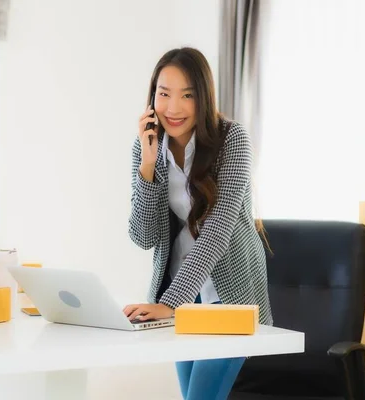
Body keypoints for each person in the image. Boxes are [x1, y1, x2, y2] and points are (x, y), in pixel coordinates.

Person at [123, 47, 272, 400]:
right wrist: (147, 168)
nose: (173, 108)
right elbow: (143, 236)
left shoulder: (232, 140)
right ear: (152, 97)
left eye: (187, 95)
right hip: (183, 300)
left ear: (203, 98)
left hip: (230, 297)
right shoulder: (146, 148)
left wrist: (171, 303)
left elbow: (217, 232)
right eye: (164, 94)